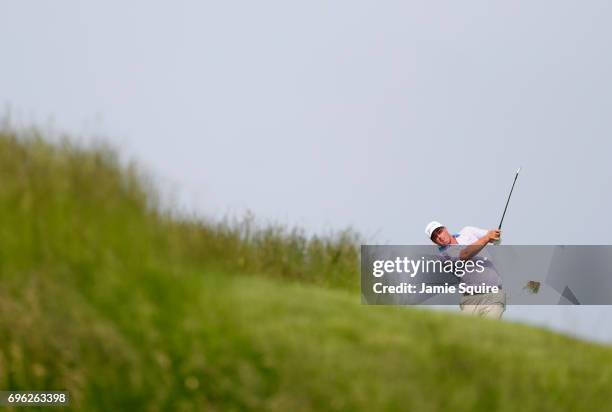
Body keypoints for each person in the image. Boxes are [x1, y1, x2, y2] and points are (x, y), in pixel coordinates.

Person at [425, 221, 506, 319]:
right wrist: (487, 238)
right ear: (434, 242)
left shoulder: (468, 231)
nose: (440, 237)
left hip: (494, 294)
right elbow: (465, 255)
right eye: (435, 237)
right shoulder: (443, 256)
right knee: (466, 333)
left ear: (445, 229)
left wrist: (495, 237)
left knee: (489, 330)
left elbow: (493, 238)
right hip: (470, 300)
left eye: (439, 231)